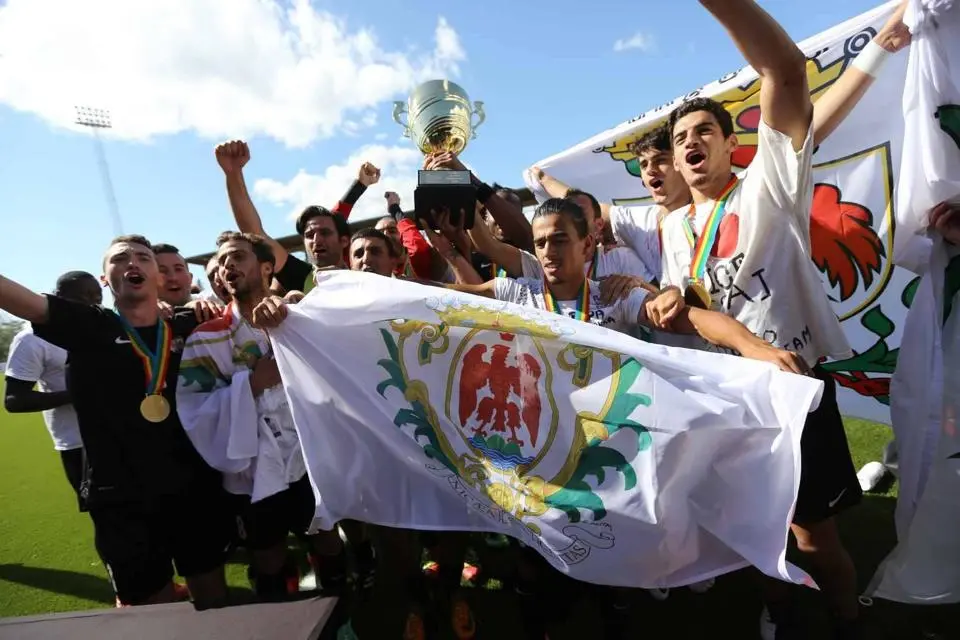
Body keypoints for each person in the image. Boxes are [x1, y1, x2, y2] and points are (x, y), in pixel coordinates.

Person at [659, 1, 871, 636]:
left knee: (813, 537)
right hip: (729, 401)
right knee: (751, 528)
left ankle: (845, 615)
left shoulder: (767, 184)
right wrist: (675, 304)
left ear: (732, 143)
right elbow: (695, 307)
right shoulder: (673, 227)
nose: (691, 142)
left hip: (795, 388)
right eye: (679, 138)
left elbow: (783, 68)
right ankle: (778, 611)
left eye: (704, 131)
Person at [0, 235, 231, 609]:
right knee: (148, 611)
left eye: (143, 258)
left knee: (212, 596)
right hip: (120, 493)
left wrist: (285, 298)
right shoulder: (89, 325)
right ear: (106, 279)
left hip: (192, 483)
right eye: (120, 259)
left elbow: (253, 311)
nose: (133, 264)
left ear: (158, 276)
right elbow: (22, 300)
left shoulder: (190, 323)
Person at [177, 231, 347, 601]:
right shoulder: (205, 337)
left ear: (266, 267)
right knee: (267, 551)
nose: (227, 266)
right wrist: (251, 385)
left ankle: (340, 608)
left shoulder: (297, 317)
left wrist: (291, 307)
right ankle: (280, 616)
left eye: (237, 257)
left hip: (308, 456)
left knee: (325, 535)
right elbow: (194, 410)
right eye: (222, 262)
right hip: (251, 467)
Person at [214, 139, 380, 293]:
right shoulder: (301, 277)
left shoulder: (369, 278)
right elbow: (254, 231)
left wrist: (359, 186)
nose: (316, 240)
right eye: (309, 235)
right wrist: (233, 173)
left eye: (325, 233)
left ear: (344, 241)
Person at [4, 271, 101, 496]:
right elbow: (15, 400)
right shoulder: (31, 339)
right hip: (78, 444)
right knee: (106, 517)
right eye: (83, 296)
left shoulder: (101, 327)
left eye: (97, 296)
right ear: (58, 297)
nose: (92, 302)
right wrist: (77, 394)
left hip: (116, 432)